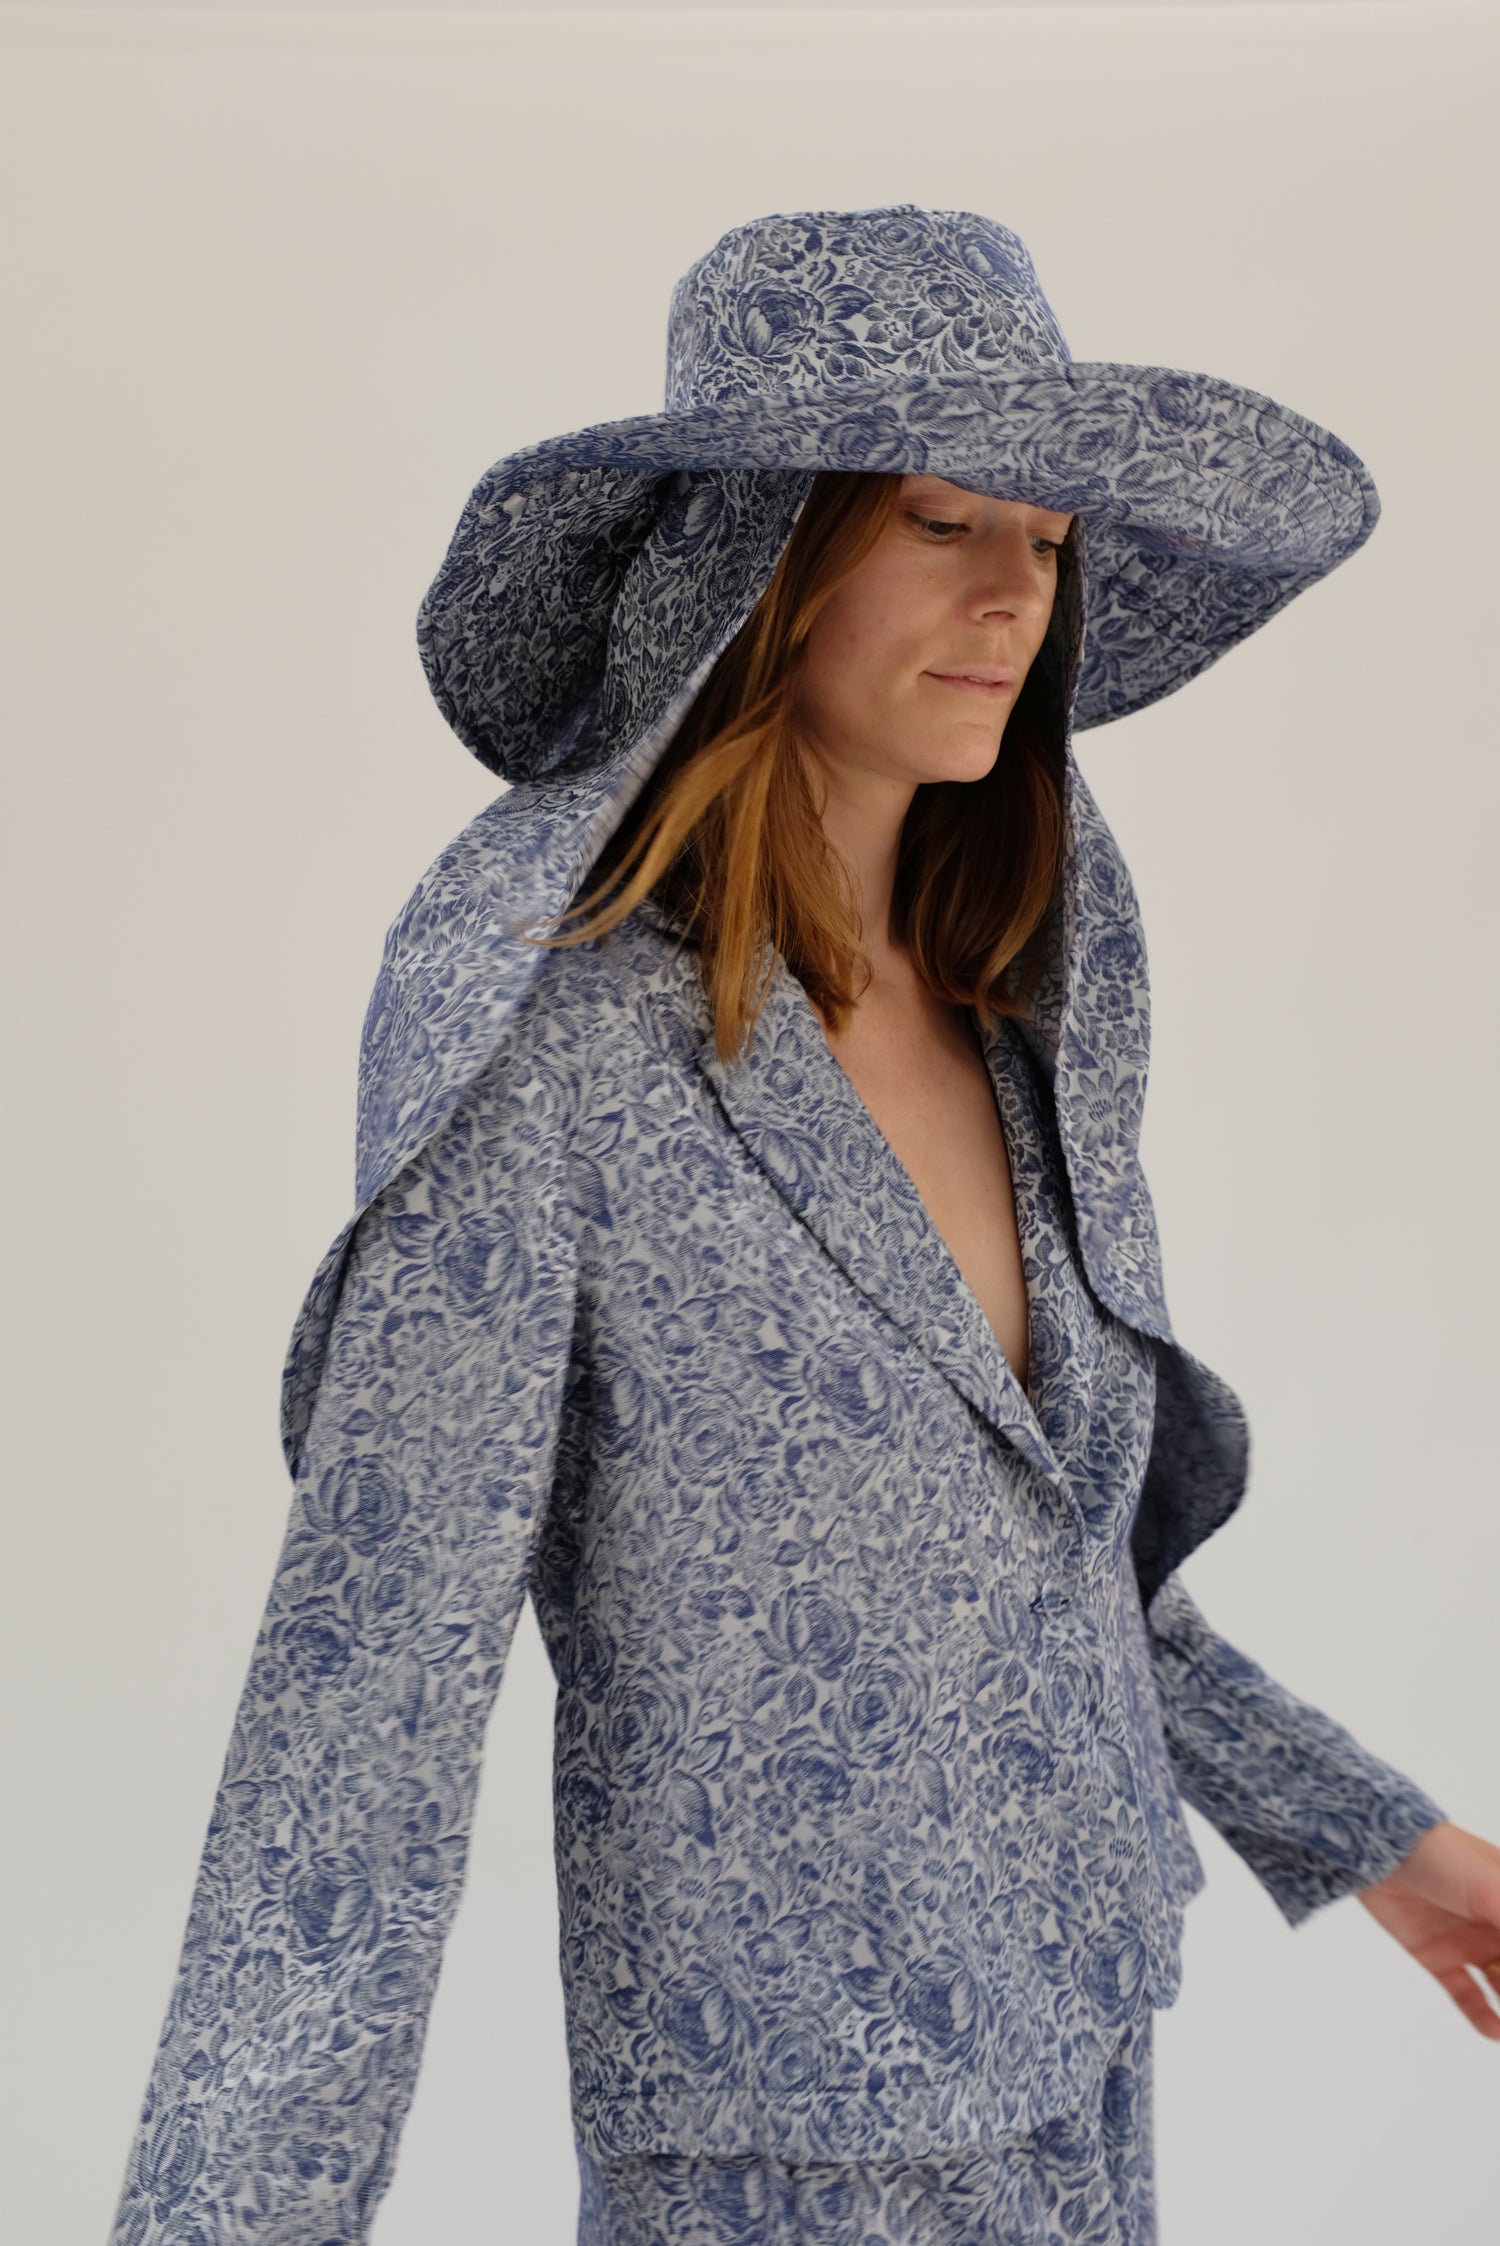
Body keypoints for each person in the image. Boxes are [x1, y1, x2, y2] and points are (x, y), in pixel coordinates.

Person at [107, 207, 1500, 2246]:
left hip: (1091, 2081)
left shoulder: (1016, 1004)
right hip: (780, 2167)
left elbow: (1051, 1562)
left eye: (1046, 539)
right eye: (943, 518)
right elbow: (359, 1728)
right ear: (762, 554)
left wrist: (1379, 1839)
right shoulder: (550, 1043)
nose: (1014, 593)